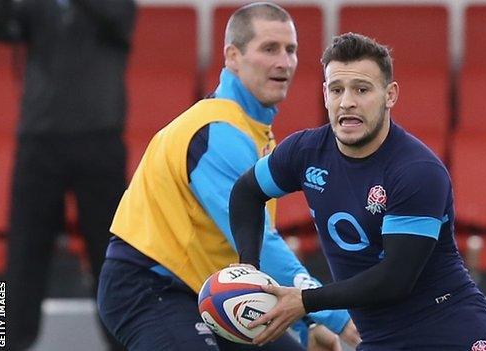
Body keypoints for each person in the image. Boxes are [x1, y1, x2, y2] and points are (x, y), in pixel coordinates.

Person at [229, 32, 486, 351]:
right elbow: (247, 192)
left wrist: (304, 301)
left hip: (448, 325)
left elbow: (395, 279)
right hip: (379, 339)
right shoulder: (304, 152)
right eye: (337, 89)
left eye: (362, 89)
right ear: (325, 95)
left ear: (390, 95)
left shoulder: (416, 170)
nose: (347, 102)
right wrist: (250, 269)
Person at [96, 3, 359, 351]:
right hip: (151, 287)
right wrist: (336, 316)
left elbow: (248, 249)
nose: (284, 61)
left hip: (215, 291)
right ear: (233, 56)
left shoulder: (250, 130)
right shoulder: (217, 133)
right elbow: (259, 242)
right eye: (269, 49)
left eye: (291, 49)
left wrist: (304, 323)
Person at [0, 0, 135, 350]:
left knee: (113, 255)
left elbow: (119, 20)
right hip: (39, 139)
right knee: (22, 255)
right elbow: (3, 26)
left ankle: (127, 341)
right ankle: (6, 340)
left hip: (99, 139)